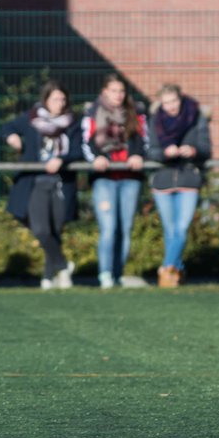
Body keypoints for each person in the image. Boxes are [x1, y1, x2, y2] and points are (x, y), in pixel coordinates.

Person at [3, 81, 84, 289]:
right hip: (36, 183)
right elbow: (6, 127)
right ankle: (64, 266)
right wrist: (12, 137)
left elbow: (78, 150)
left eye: (63, 99)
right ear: (46, 100)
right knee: (41, 230)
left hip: (60, 183)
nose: (60, 103)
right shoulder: (31, 119)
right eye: (56, 99)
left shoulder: (73, 123)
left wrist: (62, 160)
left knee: (55, 231)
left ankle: (49, 277)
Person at [82, 74, 147, 289]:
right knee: (108, 227)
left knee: (125, 228)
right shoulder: (92, 113)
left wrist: (138, 155)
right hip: (104, 178)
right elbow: (86, 142)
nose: (118, 95)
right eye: (113, 91)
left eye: (121, 91)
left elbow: (143, 140)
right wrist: (97, 157)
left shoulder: (135, 113)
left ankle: (119, 274)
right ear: (104, 92)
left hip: (130, 178)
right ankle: (105, 275)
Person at [147, 84, 211, 288]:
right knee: (170, 229)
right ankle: (177, 272)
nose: (171, 107)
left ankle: (166, 268)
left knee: (181, 228)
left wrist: (193, 151)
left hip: (188, 178)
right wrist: (165, 153)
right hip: (163, 179)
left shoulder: (196, 116)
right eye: (166, 103)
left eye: (174, 101)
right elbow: (151, 151)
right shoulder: (155, 120)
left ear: (180, 99)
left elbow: (206, 148)